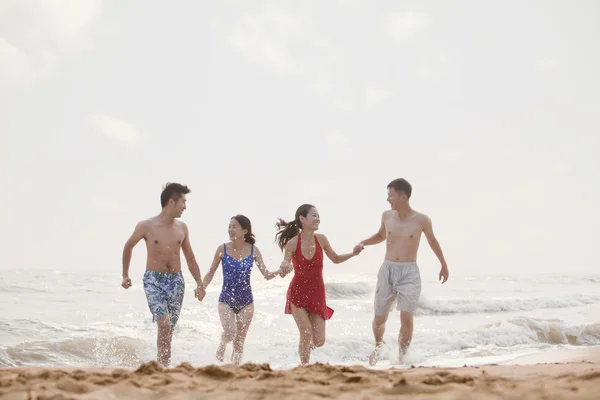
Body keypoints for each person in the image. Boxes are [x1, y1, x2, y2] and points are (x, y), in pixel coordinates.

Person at [354, 178, 449, 366]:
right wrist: (363, 242)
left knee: (406, 316)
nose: (388, 199)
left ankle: (402, 357)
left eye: (391, 195)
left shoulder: (422, 220)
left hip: (409, 272)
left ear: (402, 197)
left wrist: (443, 264)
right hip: (387, 270)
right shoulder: (387, 216)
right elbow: (381, 235)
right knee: (379, 318)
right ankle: (378, 345)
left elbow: (432, 241)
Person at [121, 182, 206, 367]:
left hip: (176, 281)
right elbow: (128, 246)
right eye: (183, 201)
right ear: (171, 202)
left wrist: (199, 283)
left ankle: (164, 364)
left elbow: (190, 257)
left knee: (169, 329)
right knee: (164, 324)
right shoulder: (146, 226)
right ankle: (162, 365)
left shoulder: (182, 228)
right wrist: (125, 275)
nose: (185, 206)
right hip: (154, 280)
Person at [277, 204, 362, 364]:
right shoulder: (293, 243)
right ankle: (304, 366)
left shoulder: (321, 239)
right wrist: (284, 267)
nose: (318, 219)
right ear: (302, 219)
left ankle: (306, 348)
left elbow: (335, 259)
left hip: (317, 293)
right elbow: (284, 267)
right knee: (306, 332)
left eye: (318, 215)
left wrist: (353, 253)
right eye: (314, 215)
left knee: (319, 341)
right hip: (298, 292)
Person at [202, 214, 281, 364]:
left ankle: (235, 370)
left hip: (246, 301)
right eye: (229, 226)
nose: (230, 229)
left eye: (234, 227)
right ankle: (222, 342)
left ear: (244, 231)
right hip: (226, 299)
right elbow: (211, 272)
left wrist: (279, 272)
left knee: (239, 342)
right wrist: (202, 288)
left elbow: (266, 274)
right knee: (230, 333)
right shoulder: (222, 249)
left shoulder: (253, 250)